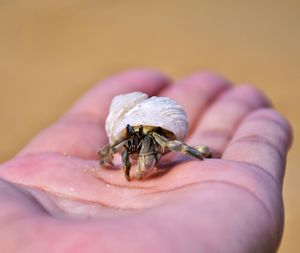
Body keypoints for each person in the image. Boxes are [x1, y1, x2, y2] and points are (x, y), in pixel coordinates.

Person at [0, 69, 292, 253]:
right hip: (136, 125)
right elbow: (120, 142)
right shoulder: (128, 136)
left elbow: (165, 142)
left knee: (155, 142)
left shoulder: (157, 137)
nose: (136, 141)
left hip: (157, 130)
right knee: (137, 142)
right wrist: (108, 155)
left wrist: (192, 152)